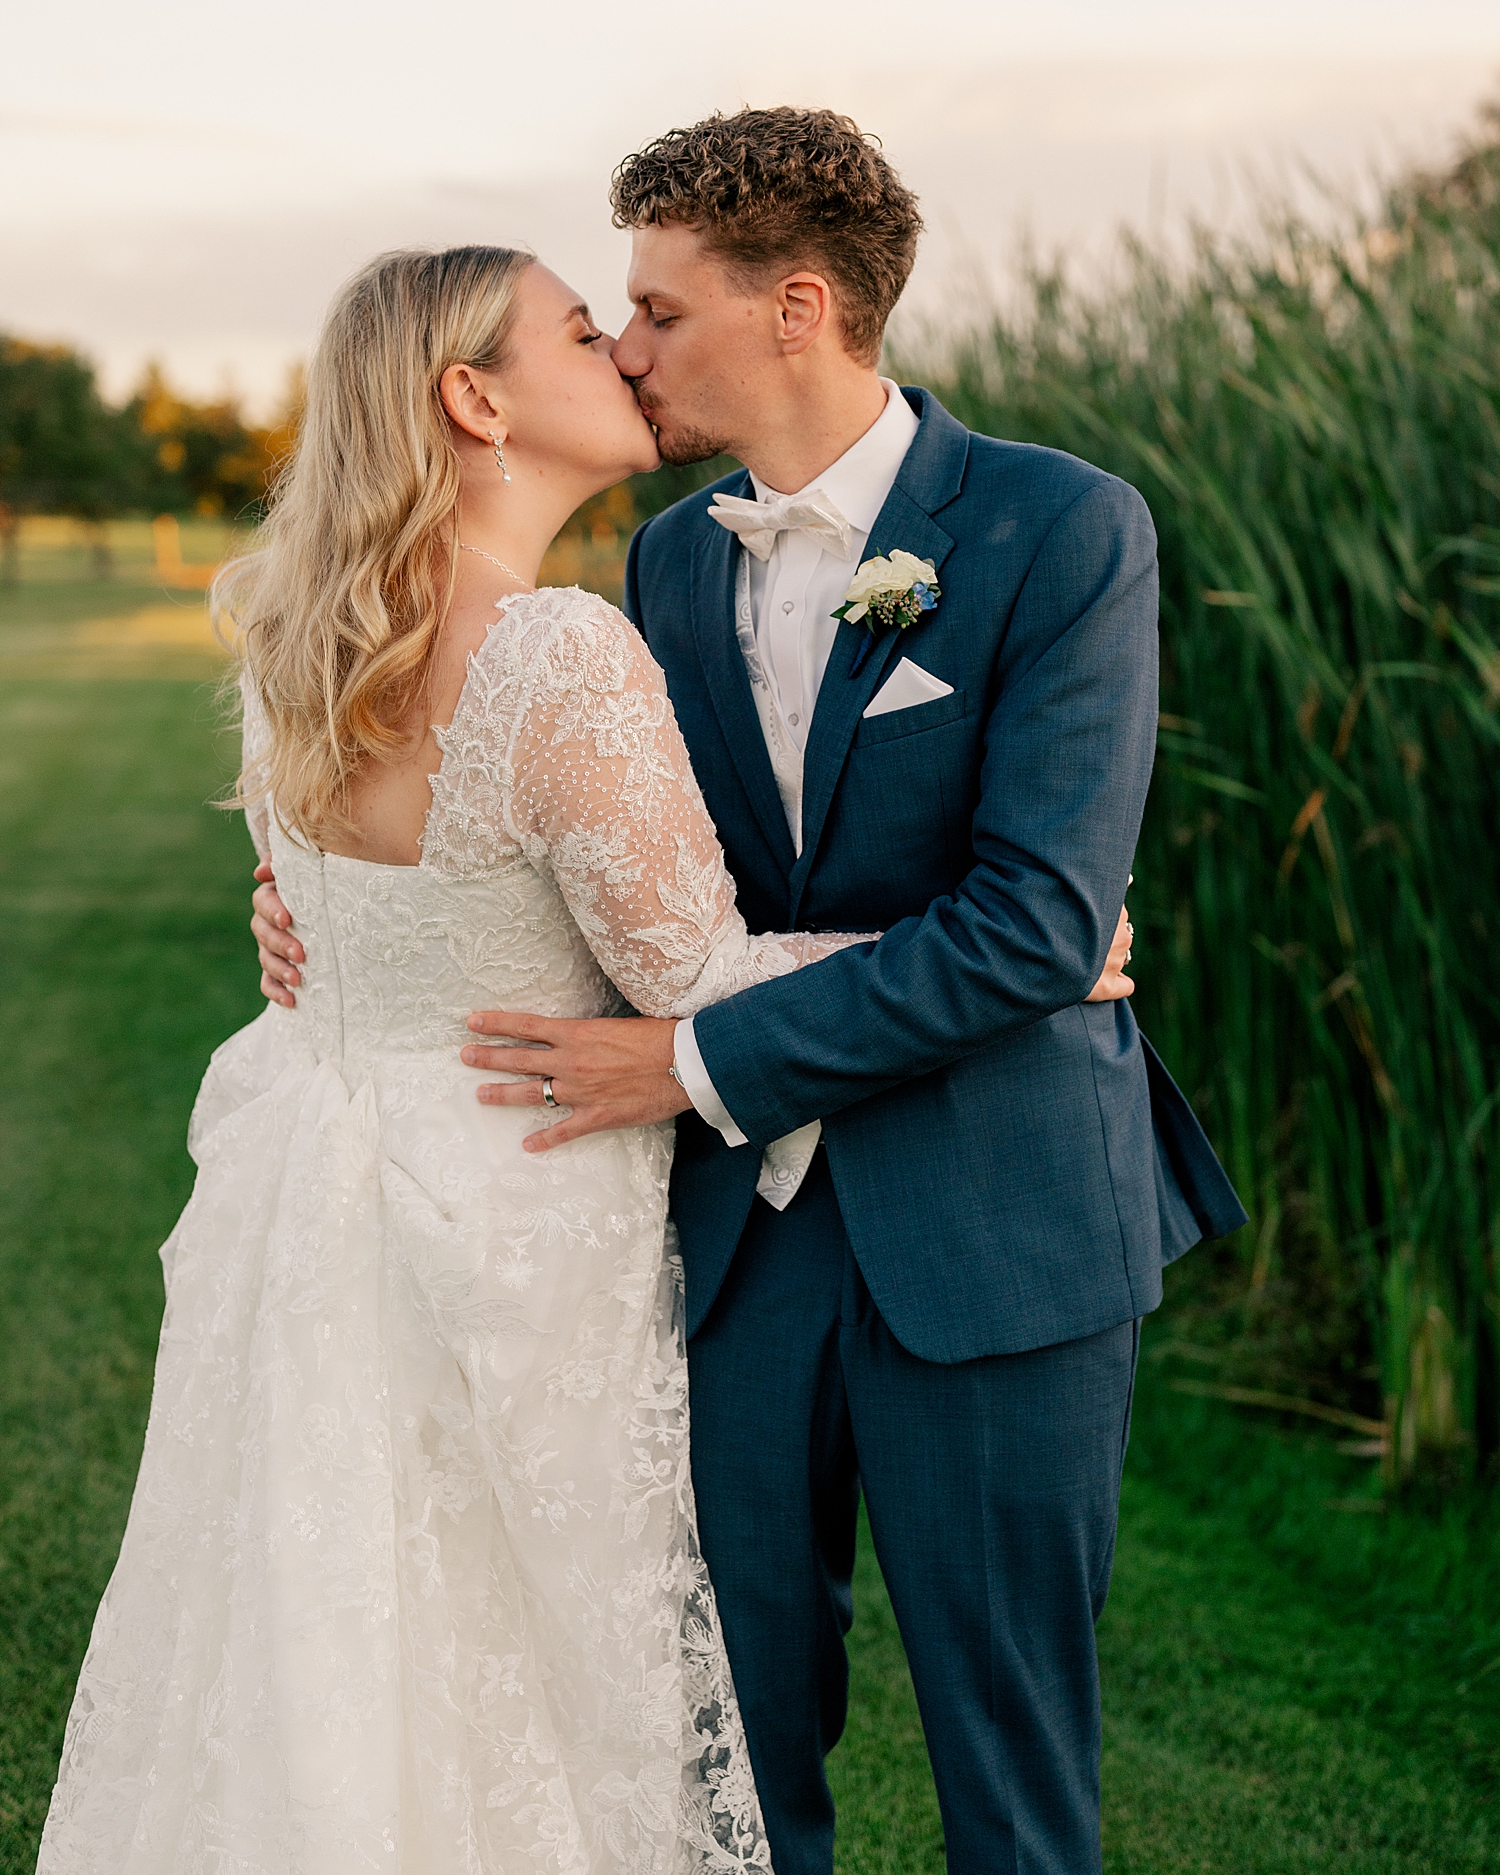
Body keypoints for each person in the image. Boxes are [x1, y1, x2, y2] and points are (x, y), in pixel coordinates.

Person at [262, 108, 1248, 1875]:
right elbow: (607, 877)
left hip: (996, 1222)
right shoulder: (659, 561)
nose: (628, 349)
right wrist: (321, 915)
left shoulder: (1061, 528)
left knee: (1013, 1776)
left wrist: (698, 1055)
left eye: (654, 310)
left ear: (798, 308)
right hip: (730, 1249)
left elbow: (1035, 921)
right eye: (611, 318)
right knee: (724, 1754)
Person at [40, 242, 990, 1874]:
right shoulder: (554, 652)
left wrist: (291, 942)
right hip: (512, 1208)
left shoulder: (294, 626)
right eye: (577, 327)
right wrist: (1001, 953)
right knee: (524, 1675)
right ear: (474, 399)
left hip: (319, 1207)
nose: (624, 351)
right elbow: (694, 979)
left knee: (319, 1642)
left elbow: (317, 907)